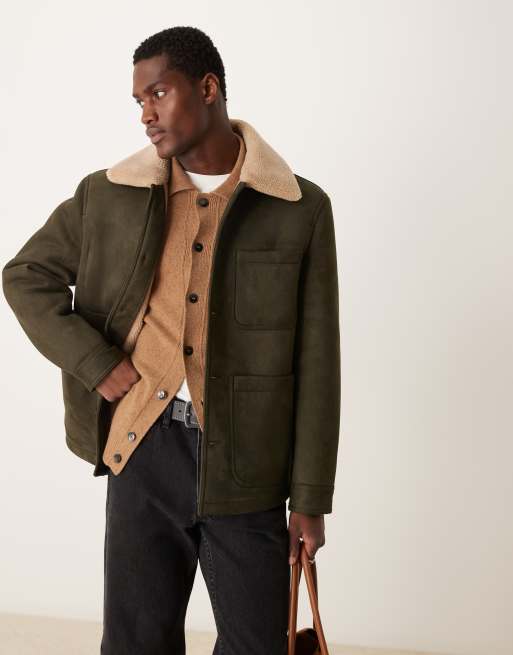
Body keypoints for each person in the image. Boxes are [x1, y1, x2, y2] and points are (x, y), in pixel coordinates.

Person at [2, 25, 341, 655]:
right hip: (142, 446)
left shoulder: (298, 208)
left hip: (249, 462)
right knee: (136, 642)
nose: (146, 115)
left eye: (158, 93)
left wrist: (311, 496)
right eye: (139, 101)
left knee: (257, 643)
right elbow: (25, 275)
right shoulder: (109, 195)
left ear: (208, 88)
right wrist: (95, 362)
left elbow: (319, 361)